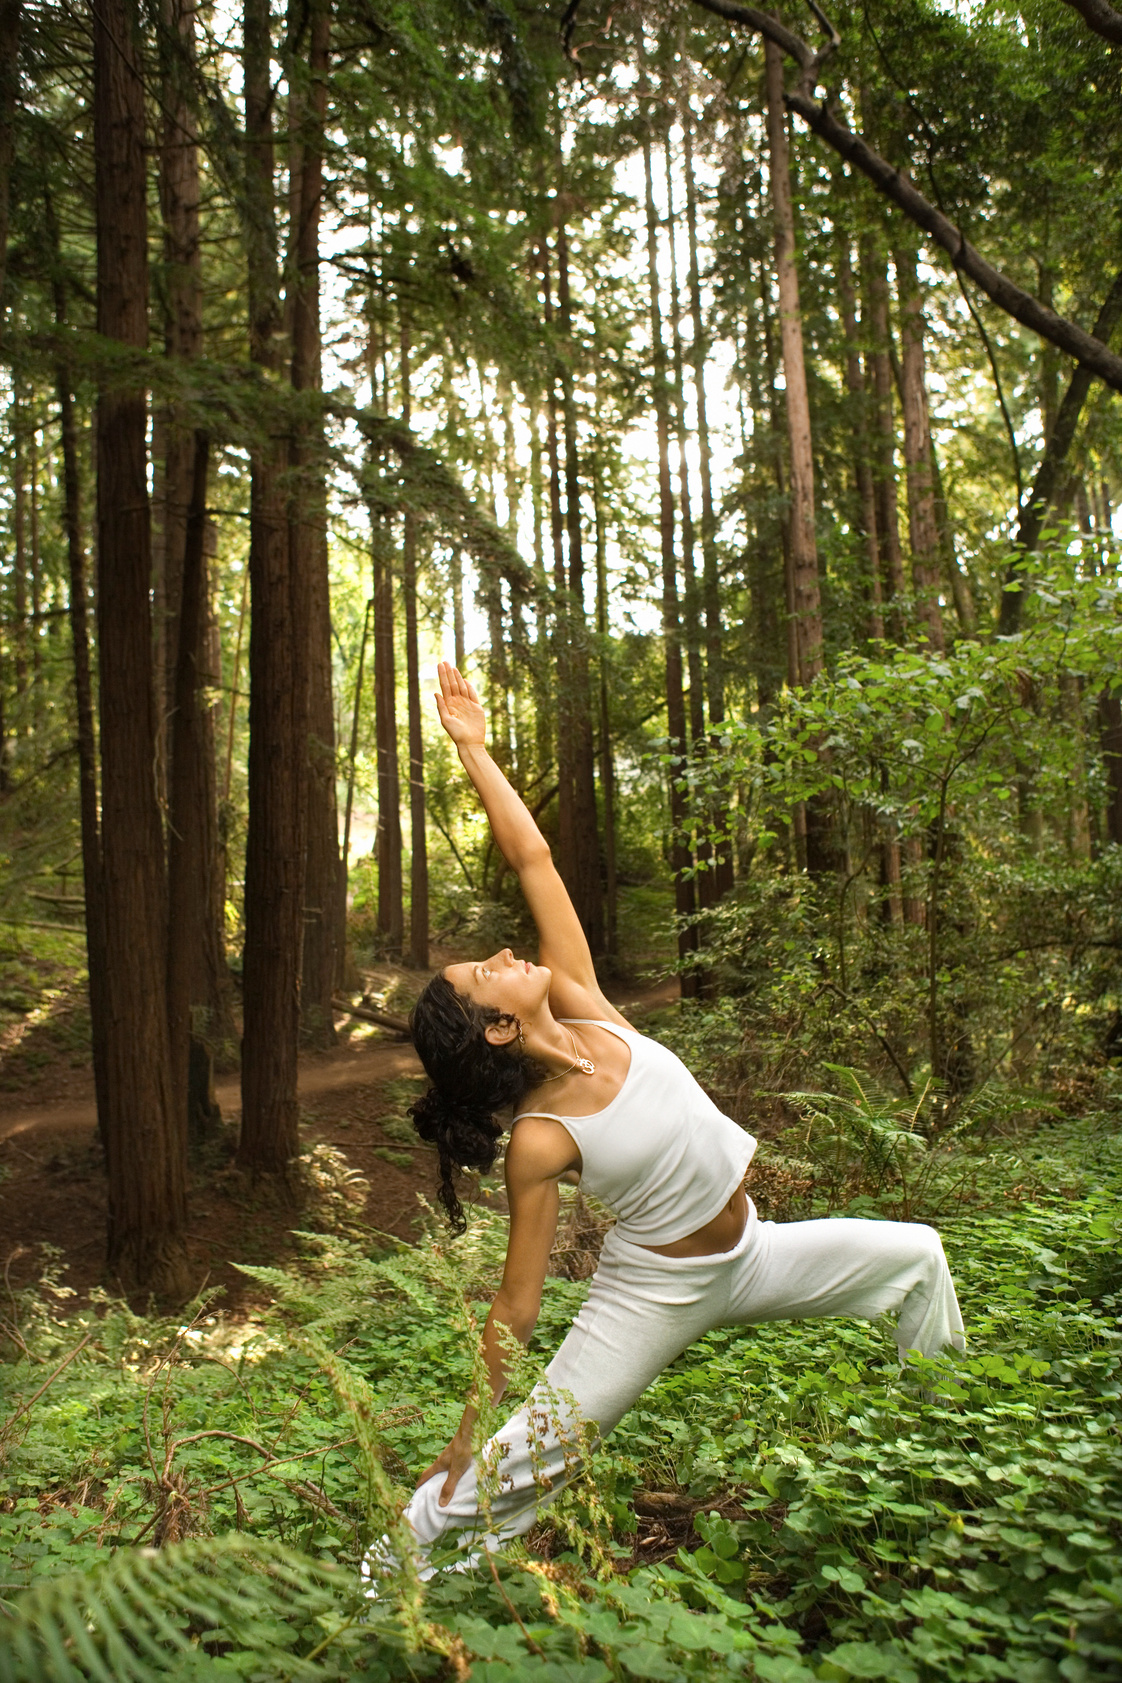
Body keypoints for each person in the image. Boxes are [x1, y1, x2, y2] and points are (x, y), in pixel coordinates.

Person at [400, 661, 964, 1567]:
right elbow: (516, 1303)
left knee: (919, 1259)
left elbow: (532, 858)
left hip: (752, 1254)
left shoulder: (584, 1004)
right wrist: (468, 1428)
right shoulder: (541, 1141)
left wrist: (474, 747)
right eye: (485, 972)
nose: (503, 951)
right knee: (514, 1468)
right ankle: (383, 1583)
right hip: (652, 1293)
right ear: (498, 1027)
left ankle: (943, 1475)